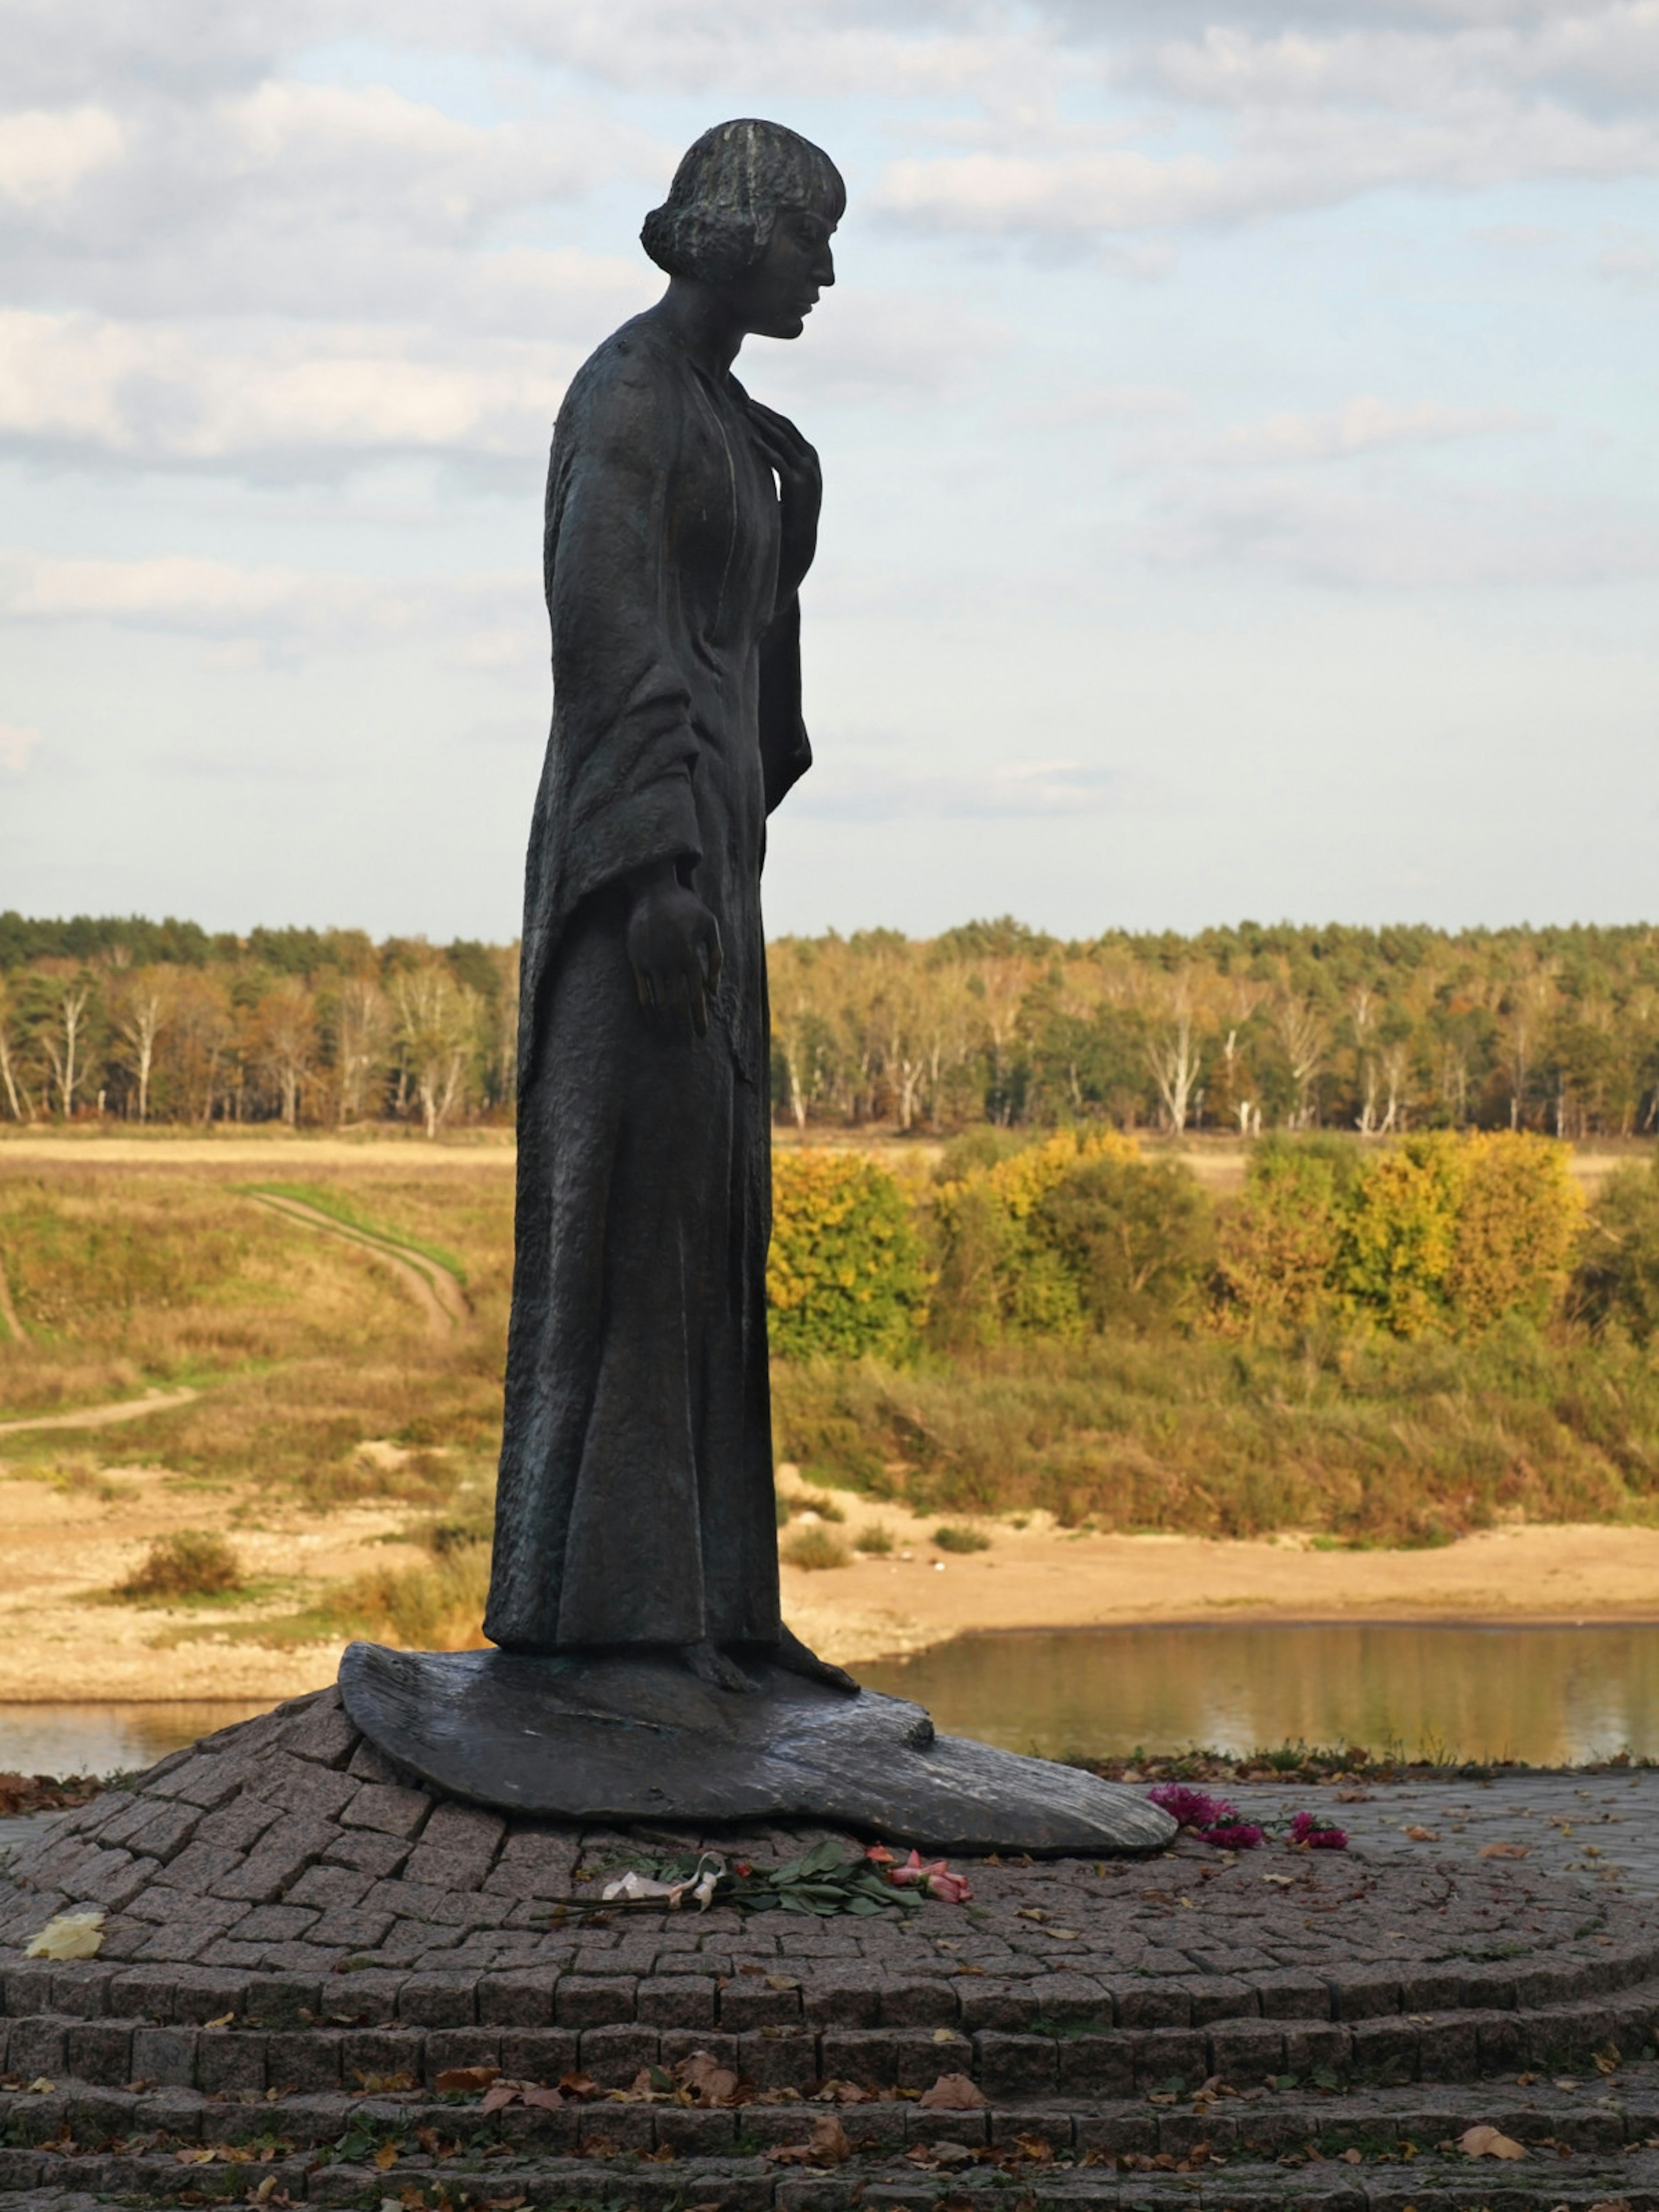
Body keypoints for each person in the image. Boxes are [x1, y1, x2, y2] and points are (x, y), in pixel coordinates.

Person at [484, 121, 854, 1695]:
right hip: (644, 875)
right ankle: (606, 1628)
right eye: (811, 241)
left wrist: (797, 523)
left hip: (710, 861)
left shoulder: (726, 414)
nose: (828, 274)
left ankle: (709, 1612)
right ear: (735, 232)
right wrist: (653, 878)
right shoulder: (630, 397)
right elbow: (605, 629)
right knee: (628, 1224)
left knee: (704, 1229)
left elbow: (738, 667)